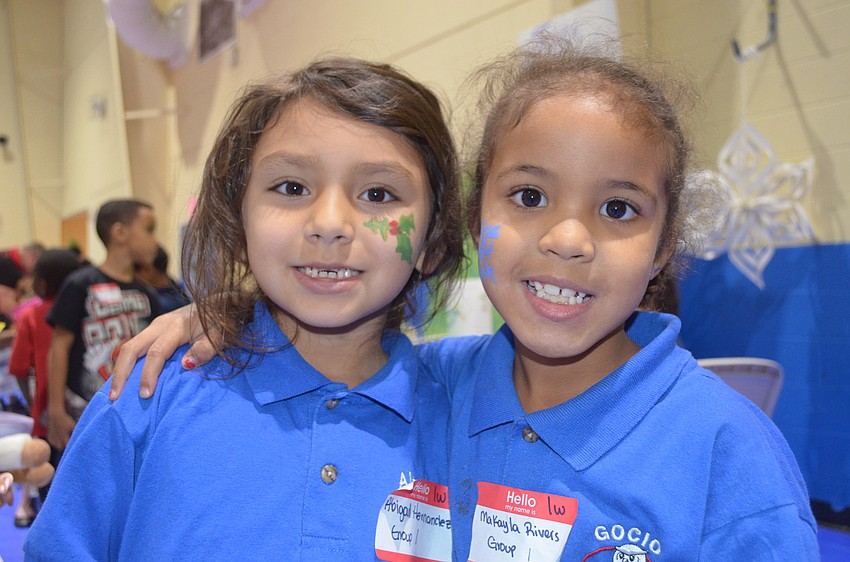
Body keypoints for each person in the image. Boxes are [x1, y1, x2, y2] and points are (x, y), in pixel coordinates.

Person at [107, 39, 818, 560]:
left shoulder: (730, 449)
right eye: (530, 196)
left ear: (665, 246)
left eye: (620, 209)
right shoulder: (434, 387)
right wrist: (225, 312)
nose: (569, 238)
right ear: (475, 223)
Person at [25, 57, 464, 561]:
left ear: (431, 240)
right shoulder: (148, 394)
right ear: (239, 223)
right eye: (292, 188)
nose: (329, 223)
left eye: (378, 193)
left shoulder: (468, 416)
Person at [44, 199, 162, 459]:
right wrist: (55, 409)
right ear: (119, 233)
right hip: (85, 411)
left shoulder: (147, 294)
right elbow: (59, 346)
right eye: (149, 229)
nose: (155, 239)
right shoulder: (79, 285)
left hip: (131, 410)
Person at [9, 249, 82, 525]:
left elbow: (18, 367)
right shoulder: (84, 309)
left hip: (47, 409)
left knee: (48, 474)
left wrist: (31, 401)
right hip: (86, 408)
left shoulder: (32, 315)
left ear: (40, 283)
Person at [134, 244, 192, 313]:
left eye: (134, 270)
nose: (132, 276)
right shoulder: (182, 291)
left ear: (148, 271)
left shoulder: (156, 304)